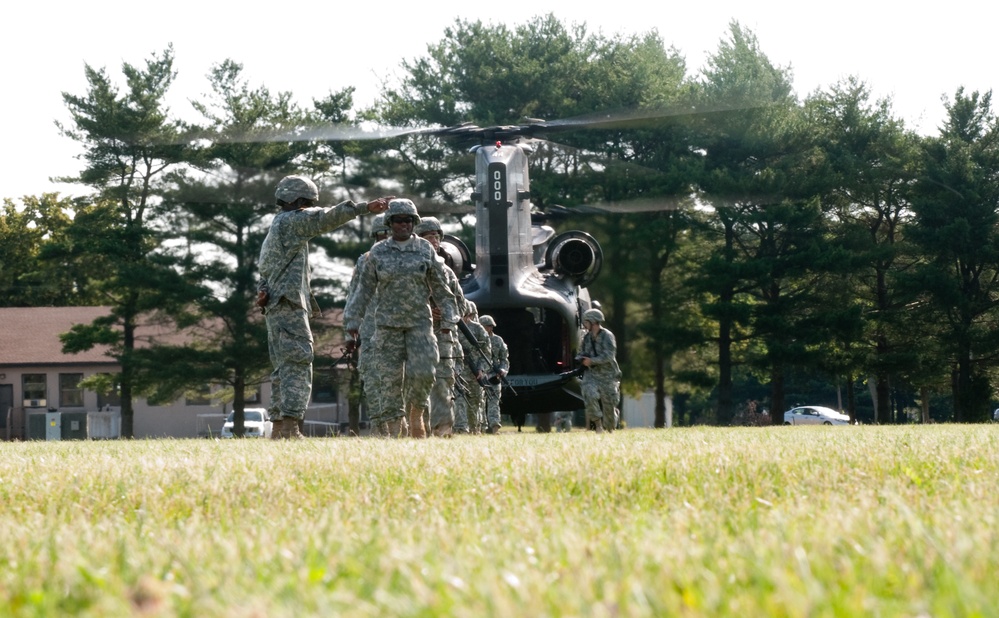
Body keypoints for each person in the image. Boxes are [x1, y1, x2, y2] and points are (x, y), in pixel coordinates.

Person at [257, 174, 391, 439]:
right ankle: (291, 427)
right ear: (298, 201)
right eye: (307, 202)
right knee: (298, 362)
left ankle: (279, 429)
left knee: (283, 367)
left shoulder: (276, 227)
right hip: (290, 304)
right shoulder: (292, 221)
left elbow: (265, 272)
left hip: (277, 306)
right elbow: (324, 217)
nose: (309, 207)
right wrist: (366, 207)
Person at [343, 199, 460, 438]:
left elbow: (441, 289)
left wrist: (449, 319)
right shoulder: (377, 252)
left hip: (419, 323)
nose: (403, 225)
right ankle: (397, 427)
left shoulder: (425, 250)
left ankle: (416, 411)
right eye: (398, 220)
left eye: (408, 220)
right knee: (389, 381)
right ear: (390, 223)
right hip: (387, 326)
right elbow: (362, 291)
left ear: (414, 223)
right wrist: (352, 325)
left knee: (425, 372)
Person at [414, 216, 468, 437]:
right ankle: (417, 427)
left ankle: (442, 428)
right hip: (416, 333)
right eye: (428, 237)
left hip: (443, 336)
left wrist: (445, 312)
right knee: (417, 381)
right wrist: (426, 308)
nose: (434, 241)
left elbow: (462, 305)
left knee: (444, 381)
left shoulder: (446, 271)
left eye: (437, 236)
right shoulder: (409, 268)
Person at [343, 214, 390, 436]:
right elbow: (353, 296)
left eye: (387, 234)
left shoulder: (408, 256)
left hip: (399, 327)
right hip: (371, 331)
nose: (384, 238)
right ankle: (379, 425)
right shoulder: (364, 261)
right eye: (381, 235)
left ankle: (400, 423)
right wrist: (350, 331)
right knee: (372, 379)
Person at [577, 308, 621, 433]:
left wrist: (592, 361)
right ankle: (598, 426)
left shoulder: (608, 336)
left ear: (593, 321)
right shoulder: (586, 337)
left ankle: (610, 426)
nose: (585, 325)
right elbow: (581, 351)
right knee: (589, 394)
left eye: (586, 322)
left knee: (609, 405)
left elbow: (609, 355)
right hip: (591, 374)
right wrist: (581, 359)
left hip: (608, 375)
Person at [454, 301, 491, 434]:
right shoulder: (453, 327)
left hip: (475, 371)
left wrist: (481, 369)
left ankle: (474, 429)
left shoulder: (478, 329)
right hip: (458, 369)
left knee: (474, 402)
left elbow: (486, 351)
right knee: (459, 399)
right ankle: (461, 428)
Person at [479, 315, 509, 434]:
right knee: (479, 402)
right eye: (486, 326)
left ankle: (495, 427)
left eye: (490, 326)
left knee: (494, 402)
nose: (489, 328)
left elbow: (504, 358)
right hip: (480, 375)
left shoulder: (498, 340)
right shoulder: (476, 339)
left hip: (494, 376)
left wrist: (502, 370)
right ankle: (480, 427)